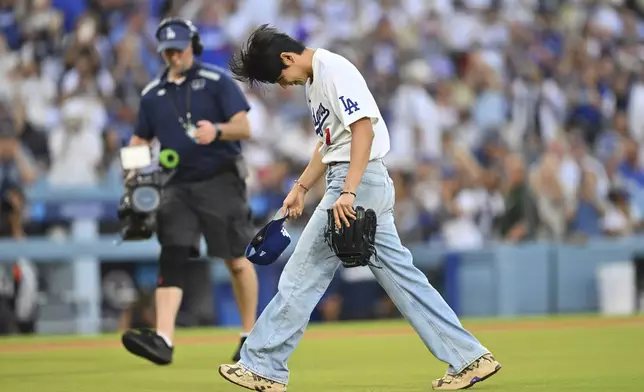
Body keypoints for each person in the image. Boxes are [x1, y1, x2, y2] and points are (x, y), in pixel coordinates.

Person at [218, 25, 502, 391]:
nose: (284, 84)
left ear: (288, 58)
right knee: (403, 279)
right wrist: (302, 186)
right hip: (359, 179)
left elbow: (363, 130)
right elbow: (329, 144)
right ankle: (469, 357)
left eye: (280, 77)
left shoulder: (334, 69)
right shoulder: (314, 80)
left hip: (357, 182)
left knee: (303, 272)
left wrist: (348, 193)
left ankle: (262, 366)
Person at [120, 17, 259, 365]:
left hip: (220, 179)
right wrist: (133, 170)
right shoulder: (152, 94)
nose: (173, 56)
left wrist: (218, 130)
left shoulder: (216, 82)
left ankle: (250, 334)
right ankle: (164, 339)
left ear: (191, 46)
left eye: (178, 48)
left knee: (236, 259)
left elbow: (244, 126)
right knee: (173, 254)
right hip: (175, 184)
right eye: (167, 50)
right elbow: (140, 139)